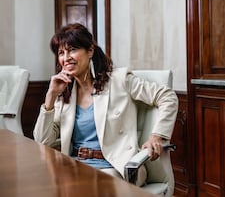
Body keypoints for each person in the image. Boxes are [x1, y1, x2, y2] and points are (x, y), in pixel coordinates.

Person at [33, 23, 178, 186]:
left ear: (90, 51)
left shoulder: (119, 80)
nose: (66, 58)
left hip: (115, 167)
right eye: (61, 52)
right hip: (75, 166)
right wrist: (51, 96)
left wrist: (157, 136)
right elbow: (42, 142)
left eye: (72, 49)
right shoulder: (65, 93)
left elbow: (167, 96)